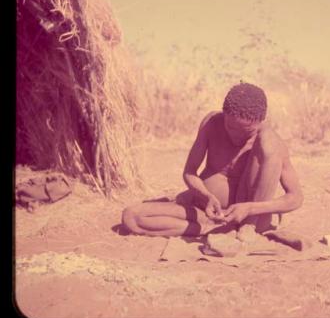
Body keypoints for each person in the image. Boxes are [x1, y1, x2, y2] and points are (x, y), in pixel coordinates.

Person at [121, 82, 303, 239]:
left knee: (270, 145)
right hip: (205, 213)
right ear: (224, 114)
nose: (237, 136)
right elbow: (189, 172)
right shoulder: (211, 123)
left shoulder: (270, 143)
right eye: (231, 126)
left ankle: (246, 228)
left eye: (247, 131)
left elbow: (295, 198)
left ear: (261, 121)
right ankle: (212, 231)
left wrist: (250, 209)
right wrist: (205, 196)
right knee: (131, 216)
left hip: (249, 220)